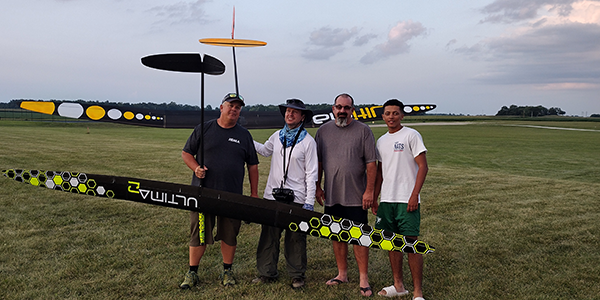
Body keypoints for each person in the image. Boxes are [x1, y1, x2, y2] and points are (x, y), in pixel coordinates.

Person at [180, 93, 259, 289]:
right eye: (230, 105)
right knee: (198, 234)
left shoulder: (244, 135)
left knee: (229, 234)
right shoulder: (204, 128)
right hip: (202, 194)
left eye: (238, 107)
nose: (234, 109)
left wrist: (254, 193)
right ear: (221, 107)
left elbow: (253, 165)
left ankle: (227, 271)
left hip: (231, 195)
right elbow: (186, 153)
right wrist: (196, 168)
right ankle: (192, 272)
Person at [251, 99, 318, 289]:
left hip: (297, 197)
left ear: (302, 117)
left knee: (295, 238)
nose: (290, 114)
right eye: (288, 111)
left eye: (295, 112)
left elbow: (311, 173)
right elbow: (265, 151)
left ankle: (297, 275)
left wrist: (309, 201)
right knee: (268, 236)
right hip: (272, 195)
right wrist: (247, 138)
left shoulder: (308, 142)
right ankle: (266, 272)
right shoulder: (277, 136)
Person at [314, 93, 377, 297]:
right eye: (339, 107)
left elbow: (371, 163)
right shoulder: (323, 131)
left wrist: (369, 191)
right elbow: (319, 163)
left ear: (352, 110)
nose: (342, 111)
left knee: (359, 237)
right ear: (333, 109)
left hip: (356, 195)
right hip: (332, 195)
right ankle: (342, 274)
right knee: (337, 235)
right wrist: (317, 186)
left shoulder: (363, 131)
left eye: (347, 107)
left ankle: (363, 278)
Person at [372, 99, 428, 300]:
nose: (391, 117)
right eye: (387, 113)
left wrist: (414, 195)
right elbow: (380, 172)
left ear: (402, 115)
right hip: (387, 200)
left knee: (411, 243)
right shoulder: (380, 141)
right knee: (391, 242)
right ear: (383, 116)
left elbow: (423, 166)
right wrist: (376, 198)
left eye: (395, 113)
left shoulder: (411, 135)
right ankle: (399, 285)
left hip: (407, 199)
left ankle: (417, 292)